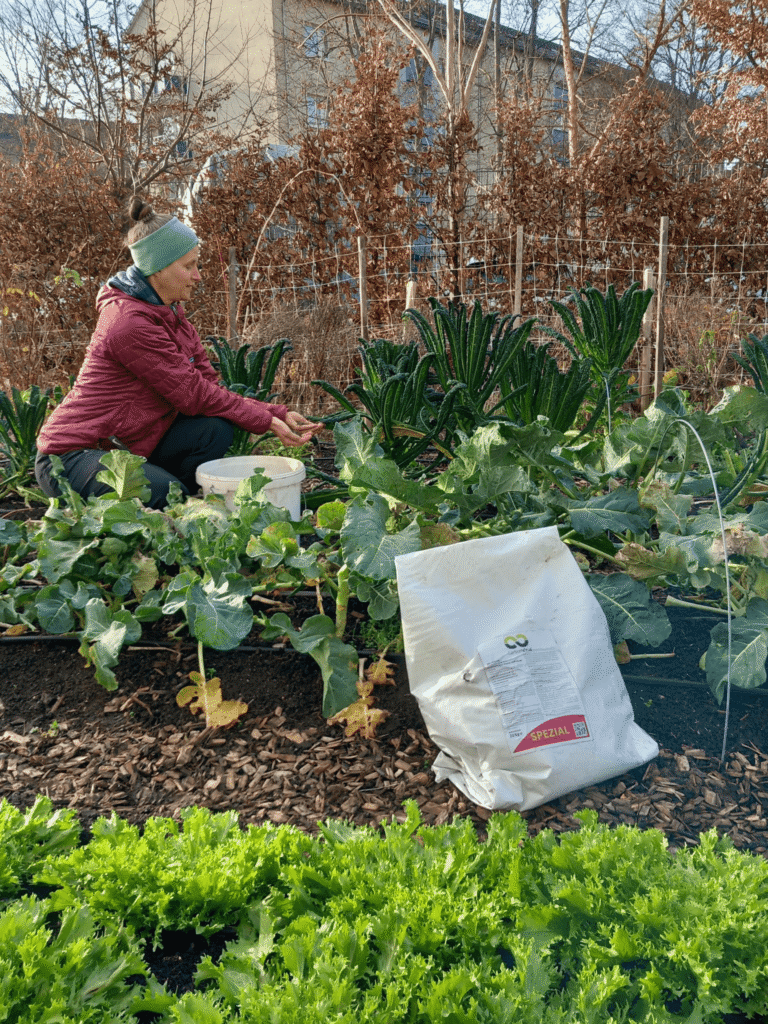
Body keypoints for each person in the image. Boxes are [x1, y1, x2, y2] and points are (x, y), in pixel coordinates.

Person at [35, 198, 321, 509]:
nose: (197, 275)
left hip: (124, 448)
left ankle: (167, 506)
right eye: (189, 265)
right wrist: (263, 420)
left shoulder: (169, 312)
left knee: (213, 431)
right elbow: (193, 395)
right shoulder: (127, 323)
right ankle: (162, 505)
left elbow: (207, 385)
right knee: (164, 493)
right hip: (73, 456)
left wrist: (275, 413)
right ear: (158, 268)